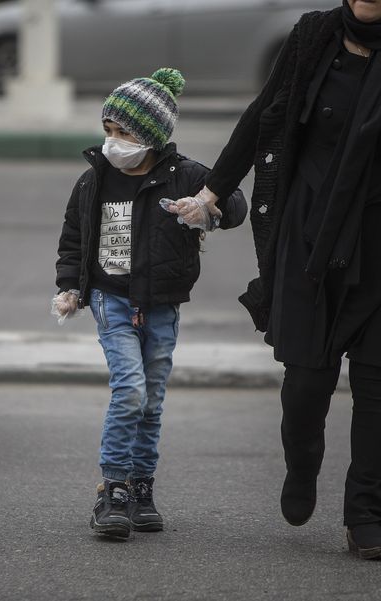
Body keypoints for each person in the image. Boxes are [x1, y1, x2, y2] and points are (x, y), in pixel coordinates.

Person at [171, 0, 381, 559]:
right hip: (310, 235)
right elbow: (262, 116)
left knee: (377, 383)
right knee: (305, 384)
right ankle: (303, 463)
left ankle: (367, 514)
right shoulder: (313, 35)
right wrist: (212, 191)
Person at [53, 68, 247, 539]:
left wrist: (209, 209)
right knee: (131, 390)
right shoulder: (93, 180)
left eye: (125, 133)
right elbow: (73, 238)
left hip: (161, 302)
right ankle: (112, 488)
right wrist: (69, 287)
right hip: (110, 300)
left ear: (153, 136)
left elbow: (237, 202)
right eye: (108, 131)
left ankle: (142, 486)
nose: (114, 142)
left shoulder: (187, 176)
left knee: (152, 400)